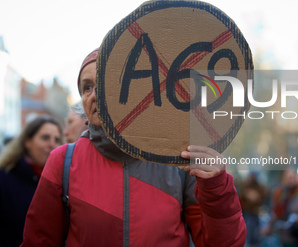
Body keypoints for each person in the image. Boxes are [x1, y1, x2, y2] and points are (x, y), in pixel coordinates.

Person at [21, 49, 246, 247]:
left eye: (105, 83)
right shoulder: (62, 161)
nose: (95, 95)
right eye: (86, 87)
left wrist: (217, 189)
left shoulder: (177, 157)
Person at [0, 115, 63, 247]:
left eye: (57, 140)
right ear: (27, 141)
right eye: (45, 138)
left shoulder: (62, 183)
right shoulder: (4, 179)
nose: (52, 144)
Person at [261, 169, 298, 247]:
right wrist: (269, 226)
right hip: (286, 236)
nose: (290, 180)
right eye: (288, 178)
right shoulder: (279, 194)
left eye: (292, 177)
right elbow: (274, 212)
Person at [239, 172, 267, 247]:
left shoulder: (260, 187)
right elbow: (241, 199)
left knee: (257, 234)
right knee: (248, 232)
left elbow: (263, 198)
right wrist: (247, 194)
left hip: (257, 213)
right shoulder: (245, 187)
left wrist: (256, 197)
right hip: (247, 213)